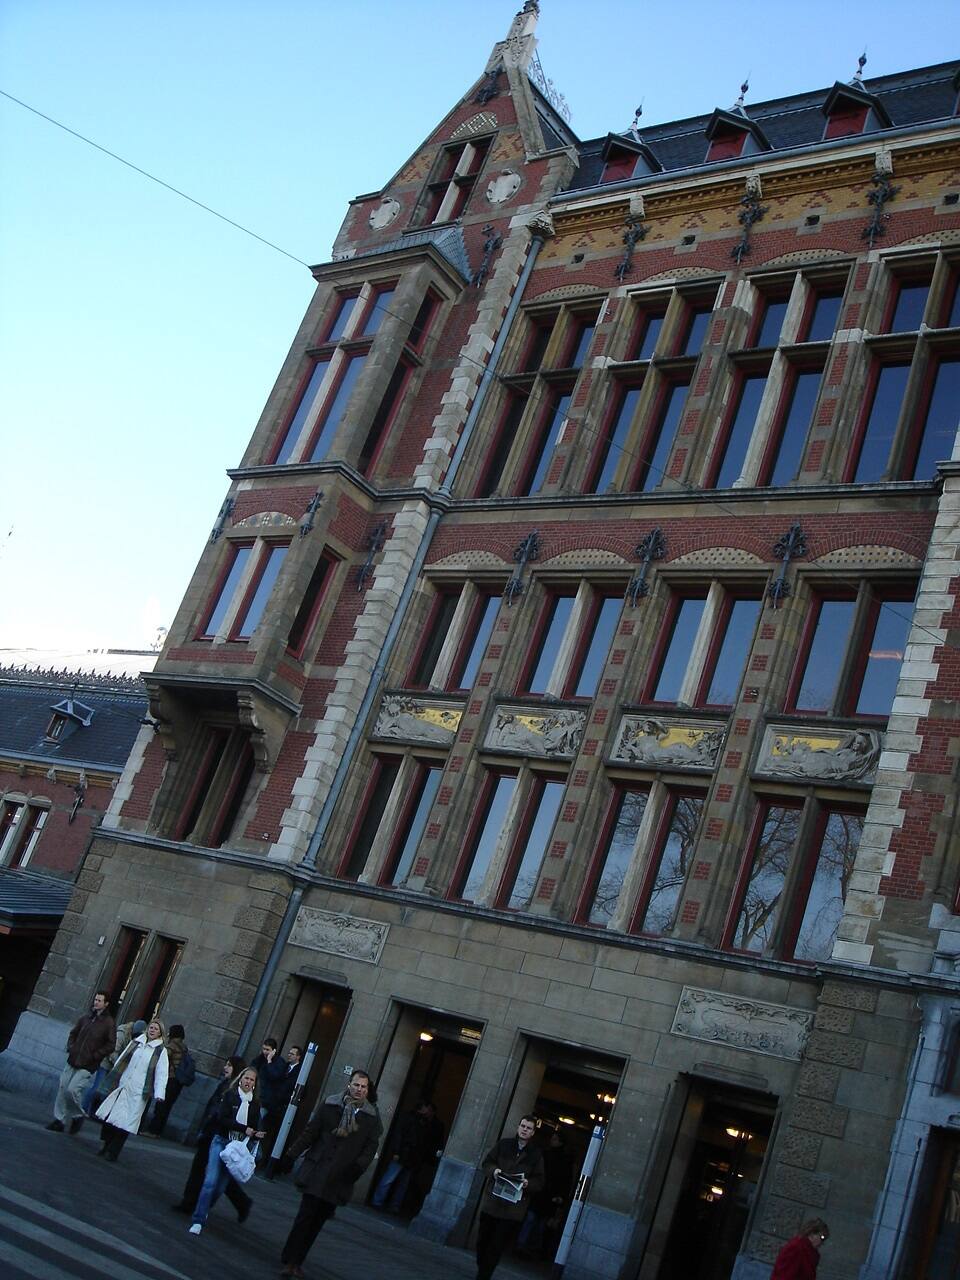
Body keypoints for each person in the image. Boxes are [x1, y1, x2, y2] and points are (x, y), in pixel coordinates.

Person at [279, 1069, 382, 1279]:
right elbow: (311, 1132)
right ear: (349, 1085)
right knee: (304, 1217)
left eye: (363, 1087)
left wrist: (358, 1167)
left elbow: (370, 1147)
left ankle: (297, 1260)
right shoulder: (330, 1105)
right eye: (356, 1085)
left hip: (340, 1178)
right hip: (317, 1169)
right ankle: (290, 1260)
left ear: (368, 1090)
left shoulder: (371, 1118)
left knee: (317, 1222)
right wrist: (291, 1154)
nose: (359, 1089)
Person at [171, 1055, 252, 1222]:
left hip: (217, 1135)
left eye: (229, 1065)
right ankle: (241, 1202)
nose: (225, 1068)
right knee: (215, 1170)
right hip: (213, 1132)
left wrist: (207, 1128)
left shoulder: (233, 1090)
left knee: (205, 1169)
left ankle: (190, 1203)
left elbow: (218, 1112)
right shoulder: (226, 1085)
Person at [189, 1065, 264, 1234]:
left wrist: (255, 1134)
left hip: (236, 1147)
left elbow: (254, 1125)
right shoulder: (230, 1096)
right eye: (246, 1078)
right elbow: (222, 1118)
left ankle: (205, 1207)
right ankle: (198, 1219)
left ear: (255, 1084)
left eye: (252, 1080)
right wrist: (243, 1128)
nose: (248, 1081)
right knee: (210, 1181)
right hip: (221, 1141)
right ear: (240, 1079)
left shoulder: (255, 1104)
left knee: (221, 1187)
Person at [476, 1115, 545, 1280]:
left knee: (496, 1246)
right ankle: (483, 1268)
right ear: (518, 1127)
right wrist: (494, 1171)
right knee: (482, 1241)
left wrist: (528, 1183)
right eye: (523, 1126)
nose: (524, 1130)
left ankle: (484, 1276)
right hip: (493, 1202)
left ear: (533, 1132)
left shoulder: (536, 1155)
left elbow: (539, 1181)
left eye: (528, 1128)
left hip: (512, 1209)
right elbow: (487, 1163)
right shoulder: (503, 1145)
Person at [95, 1018, 168, 1161]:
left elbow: (161, 1073)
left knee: (126, 1123)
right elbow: (122, 1059)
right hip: (123, 1084)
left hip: (138, 1091)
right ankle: (106, 1144)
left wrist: (160, 1093)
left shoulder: (160, 1051)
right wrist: (114, 1076)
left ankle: (113, 1151)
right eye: (151, 1027)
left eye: (156, 1029)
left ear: (160, 1033)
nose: (152, 1030)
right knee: (111, 1117)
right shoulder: (136, 1043)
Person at [47, 990, 116, 1136]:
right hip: (73, 1059)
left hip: (88, 1063)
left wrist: (96, 1055)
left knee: (72, 1090)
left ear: (106, 1004)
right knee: (63, 1087)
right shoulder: (86, 1018)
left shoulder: (108, 1023)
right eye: (95, 999)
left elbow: (111, 1045)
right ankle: (59, 1119)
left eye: (99, 1000)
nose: (96, 1002)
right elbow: (74, 1033)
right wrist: (71, 1047)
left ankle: (78, 1115)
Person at [372, 1098, 438, 1214]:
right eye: (427, 1108)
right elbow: (399, 1135)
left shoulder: (424, 1122)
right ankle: (378, 1202)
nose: (428, 1111)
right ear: (422, 1108)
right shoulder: (410, 1119)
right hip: (404, 1153)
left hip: (412, 1156)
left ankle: (392, 1205)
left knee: (402, 1183)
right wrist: (396, 1152)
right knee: (390, 1178)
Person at [518, 1127, 574, 1258]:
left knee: (538, 1221)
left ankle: (527, 1245)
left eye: (555, 1139)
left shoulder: (555, 1157)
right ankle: (527, 1246)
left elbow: (566, 1180)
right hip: (545, 1193)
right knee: (536, 1220)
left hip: (546, 1194)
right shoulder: (549, 1155)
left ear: (560, 1142)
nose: (551, 1141)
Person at [82, 1018, 145, 1116]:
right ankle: (83, 1108)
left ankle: (95, 1112)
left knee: (106, 1091)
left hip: (116, 1067)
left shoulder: (136, 1039)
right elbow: (113, 1051)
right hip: (106, 1063)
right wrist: (118, 1064)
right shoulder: (122, 1033)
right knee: (97, 1087)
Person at [259, 1043, 302, 1171]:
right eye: (289, 1053)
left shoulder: (300, 1071)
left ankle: (273, 1164)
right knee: (265, 1130)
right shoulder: (284, 1067)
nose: (289, 1055)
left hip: (284, 1108)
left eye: (292, 1054)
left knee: (278, 1136)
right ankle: (262, 1159)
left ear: (298, 1057)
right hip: (274, 1105)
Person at [147, 1023, 191, 1136]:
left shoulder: (171, 1046)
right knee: (167, 1107)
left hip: (170, 1078)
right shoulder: (184, 1047)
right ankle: (158, 1131)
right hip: (178, 1081)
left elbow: (163, 1060)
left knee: (161, 1105)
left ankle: (152, 1130)